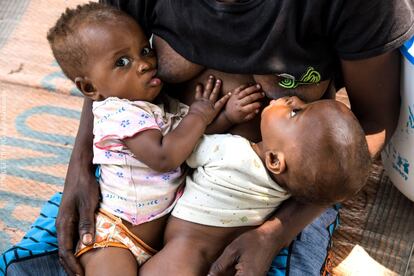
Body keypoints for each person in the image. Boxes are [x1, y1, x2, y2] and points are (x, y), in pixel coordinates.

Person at [6, 0, 412, 275]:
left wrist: (276, 233)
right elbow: (102, 71)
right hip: (135, 188)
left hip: (269, 206)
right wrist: (78, 170)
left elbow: (373, 120)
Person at [46, 3, 267, 275]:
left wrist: (227, 117)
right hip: (115, 237)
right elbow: (164, 156)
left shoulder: (154, 107)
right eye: (122, 62)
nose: (143, 64)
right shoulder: (118, 115)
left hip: (157, 241)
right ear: (90, 88)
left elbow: (189, 140)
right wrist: (199, 114)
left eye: (145, 50)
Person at [140, 95, 372, 275]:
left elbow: (184, 151)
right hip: (226, 261)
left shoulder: (231, 152)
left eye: (295, 112)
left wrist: (223, 117)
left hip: (182, 257)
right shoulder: (287, 189)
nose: (294, 99)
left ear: (274, 160)